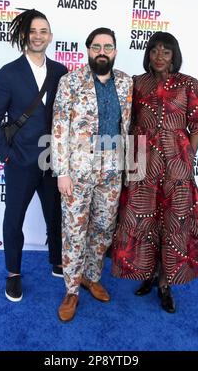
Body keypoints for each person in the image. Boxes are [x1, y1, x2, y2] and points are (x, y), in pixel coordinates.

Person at [111, 31, 198, 313]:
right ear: (148, 54)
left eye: (166, 52)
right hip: (141, 162)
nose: (159, 56)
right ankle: (146, 274)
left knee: (172, 223)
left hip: (175, 163)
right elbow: (126, 123)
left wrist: (188, 156)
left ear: (174, 55)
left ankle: (165, 283)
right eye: (154, 51)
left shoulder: (190, 85)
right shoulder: (136, 83)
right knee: (143, 220)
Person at [0, 9, 68, 302]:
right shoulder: (8, 73)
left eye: (43, 31)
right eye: (33, 31)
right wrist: (5, 154)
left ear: (50, 36)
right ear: (24, 35)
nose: (38, 36)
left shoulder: (61, 72)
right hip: (20, 160)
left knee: (56, 215)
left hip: (54, 159)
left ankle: (57, 260)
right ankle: (13, 273)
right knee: (14, 217)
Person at [51, 27, 133, 322]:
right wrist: (61, 172)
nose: (102, 51)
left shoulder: (125, 82)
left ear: (114, 51)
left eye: (107, 47)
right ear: (87, 50)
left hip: (112, 169)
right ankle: (71, 289)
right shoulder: (70, 82)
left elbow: (128, 126)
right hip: (77, 170)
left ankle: (91, 276)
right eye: (96, 46)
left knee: (102, 228)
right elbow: (59, 128)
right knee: (74, 230)